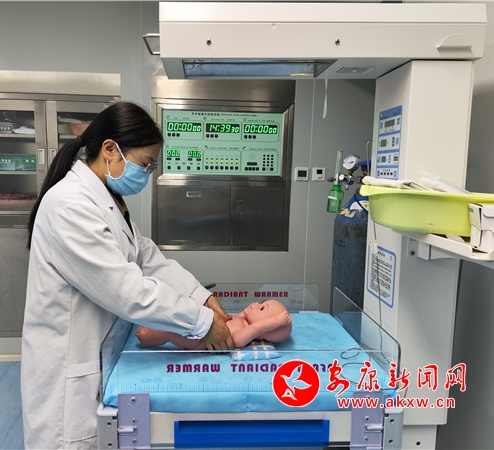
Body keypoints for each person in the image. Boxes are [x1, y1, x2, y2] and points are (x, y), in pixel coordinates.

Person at [21, 101, 234, 450]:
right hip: (70, 372)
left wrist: (201, 297)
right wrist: (201, 322)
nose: (146, 174)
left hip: (101, 357)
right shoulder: (70, 205)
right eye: (145, 163)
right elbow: (128, 291)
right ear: (110, 149)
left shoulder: (105, 199)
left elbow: (144, 256)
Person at [136, 299, 292, 349]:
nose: (256, 304)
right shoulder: (243, 320)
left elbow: (235, 340)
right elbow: (236, 317)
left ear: (265, 328)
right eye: (261, 302)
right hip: (201, 325)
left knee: (170, 333)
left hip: (199, 341)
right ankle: (155, 324)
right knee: (176, 318)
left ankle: (148, 337)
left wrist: (275, 322)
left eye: (262, 308)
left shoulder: (247, 332)